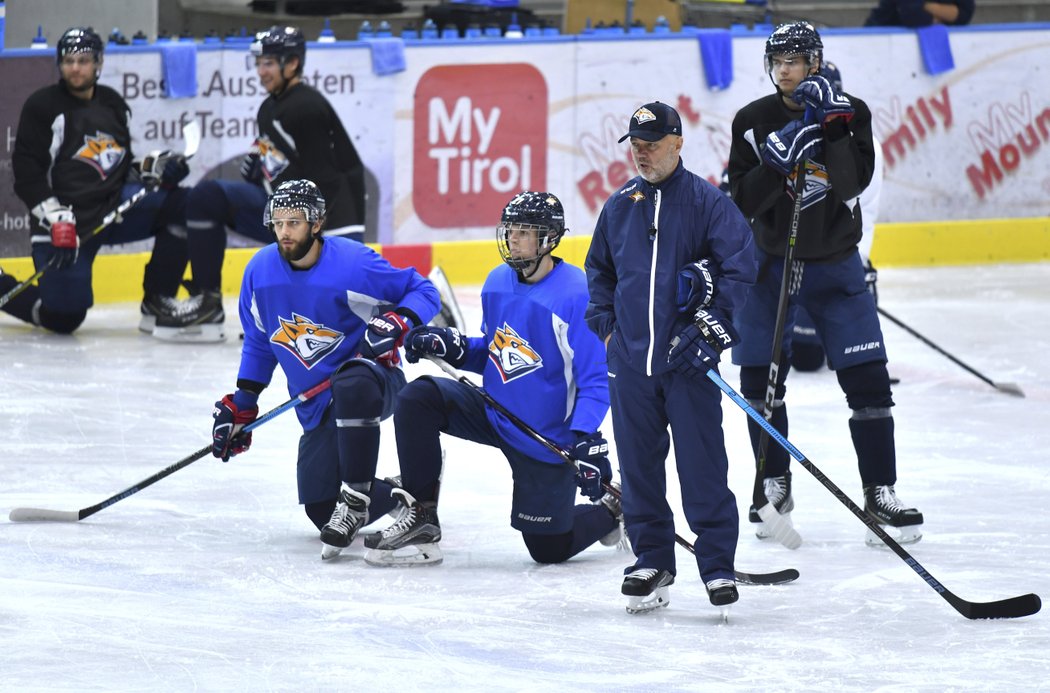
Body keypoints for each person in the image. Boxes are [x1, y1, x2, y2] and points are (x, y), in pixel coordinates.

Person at [727, 21, 923, 546]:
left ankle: (880, 491)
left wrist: (832, 130)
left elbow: (852, 184)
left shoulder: (852, 112)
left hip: (836, 265)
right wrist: (776, 161)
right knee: (759, 381)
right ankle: (774, 482)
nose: (784, 70)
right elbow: (741, 203)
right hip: (770, 267)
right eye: (777, 61)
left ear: (815, 62)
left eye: (794, 60)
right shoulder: (751, 120)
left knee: (869, 380)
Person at [366, 191, 623, 569]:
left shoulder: (576, 293)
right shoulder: (497, 281)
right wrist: (454, 347)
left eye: (524, 232)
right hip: (494, 410)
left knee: (548, 549)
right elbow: (497, 355)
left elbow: (596, 381)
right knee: (419, 398)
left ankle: (616, 507)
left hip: (546, 437)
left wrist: (584, 436)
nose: (513, 239)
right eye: (511, 230)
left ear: (549, 239)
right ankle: (421, 517)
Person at [585, 102, 758, 615]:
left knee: (702, 463)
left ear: (678, 142)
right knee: (639, 468)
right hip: (631, 367)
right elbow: (600, 278)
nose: (642, 152)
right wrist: (610, 333)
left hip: (688, 364)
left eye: (652, 143)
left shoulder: (707, 203)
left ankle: (717, 564)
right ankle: (652, 558)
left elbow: (740, 272)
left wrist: (713, 332)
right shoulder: (619, 206)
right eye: (636, 144)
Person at [210, 179, 440, 560]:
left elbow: (423, 290)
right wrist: (244, 403)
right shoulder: (260, 272)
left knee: (351, 383)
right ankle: (414, 495)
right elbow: (259, 342)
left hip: (373, 382)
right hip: (315, 402)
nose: (284, 232)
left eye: (294, 222)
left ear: (316, 224)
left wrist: (398, 322)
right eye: (278, 222)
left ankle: (355, 501)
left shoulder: (353, 263)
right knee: (320, 508)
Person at [158, 25, 368, 341]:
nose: (261, 71)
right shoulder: (272, 106)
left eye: (268, 63)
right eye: (259, 63)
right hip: (291, 216)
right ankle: (209, 304)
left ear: (292, 63)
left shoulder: (305, 108)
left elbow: (328, 178)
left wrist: (322, 240)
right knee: (206, 199)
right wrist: (262, 169)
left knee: (208, 196)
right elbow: (292, 165)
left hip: (327, 223)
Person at [3, 26, 193, 335]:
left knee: (184, 204)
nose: (75, 68)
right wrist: (55, 218)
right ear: (59, 65)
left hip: (111, 211)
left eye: (84, 60)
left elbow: (119, 165)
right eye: (68, 61)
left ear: (98, 63)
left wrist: (156, 169)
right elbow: (27, 176)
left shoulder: (113, 104)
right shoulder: (43, 106)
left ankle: (158, 300)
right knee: (64, 319)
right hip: (63, 224)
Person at [789, 61, 883, 373]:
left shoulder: (863, 143)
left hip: (844, 257)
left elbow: (863, 208)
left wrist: (860, 258)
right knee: (805, 359)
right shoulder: (792, 136)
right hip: (804, 264)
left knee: (859, 366)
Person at [865, 0, 975, 27]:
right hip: (879, 39)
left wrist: (926, 6)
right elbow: (912, 15)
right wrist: (947, 14)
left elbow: (965, 14)